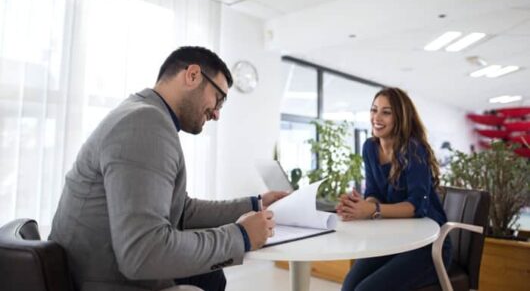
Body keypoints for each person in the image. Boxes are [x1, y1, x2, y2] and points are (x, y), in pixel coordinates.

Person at [49, 46, 287, 291]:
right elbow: (143, 253)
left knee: (211, 278)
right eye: (219, 99)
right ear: (192, 75)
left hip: (91, 270)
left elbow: (181, 210)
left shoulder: (141, 113)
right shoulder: (144, 123)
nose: (216, 114)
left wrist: (256, 204)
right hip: (100, 281)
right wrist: (241, 236)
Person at [336, 87, 451, 291]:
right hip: (395, 238)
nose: (376, 117)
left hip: (429, 244)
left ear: (401, 117)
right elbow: (374, 193)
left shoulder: (414, 149)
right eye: (374, 110)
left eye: (386, 112)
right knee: (349, 286)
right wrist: (361, 206)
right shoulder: (370, 147)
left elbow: (417, 207)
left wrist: (373, 210)